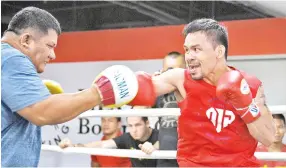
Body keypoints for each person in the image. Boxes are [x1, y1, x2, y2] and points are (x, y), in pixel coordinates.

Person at [1, 7, 140, 167]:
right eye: (50, 45)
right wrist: (100, 92)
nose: (53, 55)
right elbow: (42, 111)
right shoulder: (11, 59)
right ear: (26, 40)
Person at [127, 18, 276, 166]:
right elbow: (139, 90)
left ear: (219, 51)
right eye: (186, 49)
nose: (189, 57)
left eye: (196, 49)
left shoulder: (251, 85)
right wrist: (112, 89)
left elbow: (268, 138)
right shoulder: (180, 79)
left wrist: (245, 104)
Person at [59, 116, 159, 167]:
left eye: (138, 125)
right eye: (130, 126)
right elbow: (102, 144)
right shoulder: (127, 137)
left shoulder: (160, 135)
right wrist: (73, 146)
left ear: (147, 123)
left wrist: (154, 147)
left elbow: (166, 141)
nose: (134, 130)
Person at [153, 51, 186, 167]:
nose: (172, 74)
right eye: (169, 69)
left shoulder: (195, 88)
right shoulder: (159, 92)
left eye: (177, 70)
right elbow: (138, 111)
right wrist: (151, 84)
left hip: (190, 157)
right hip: (165, 158)